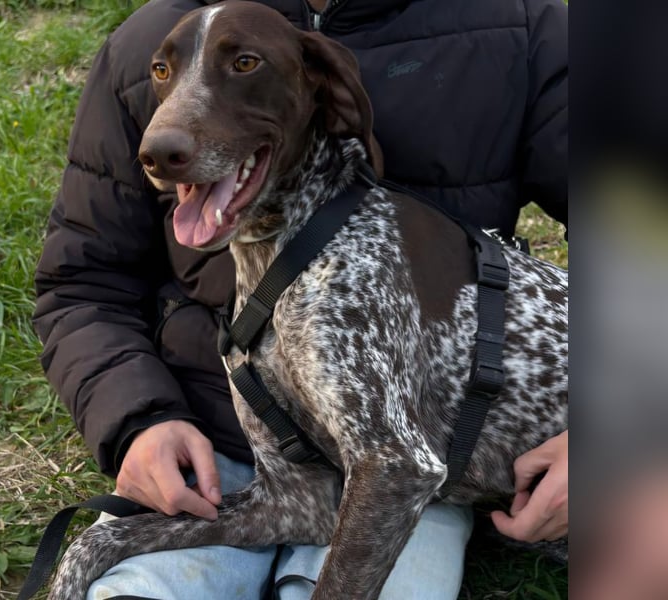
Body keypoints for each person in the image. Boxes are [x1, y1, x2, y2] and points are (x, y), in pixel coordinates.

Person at [33, 0, 568, 597]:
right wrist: (136, 421)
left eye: (243, 63)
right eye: (167, 77)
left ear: (331, 95)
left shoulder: (517, 26)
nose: (164, 136)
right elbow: (80, 282)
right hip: (217, 442)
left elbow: (399, 466)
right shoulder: (152, 40)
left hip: (418, 475)